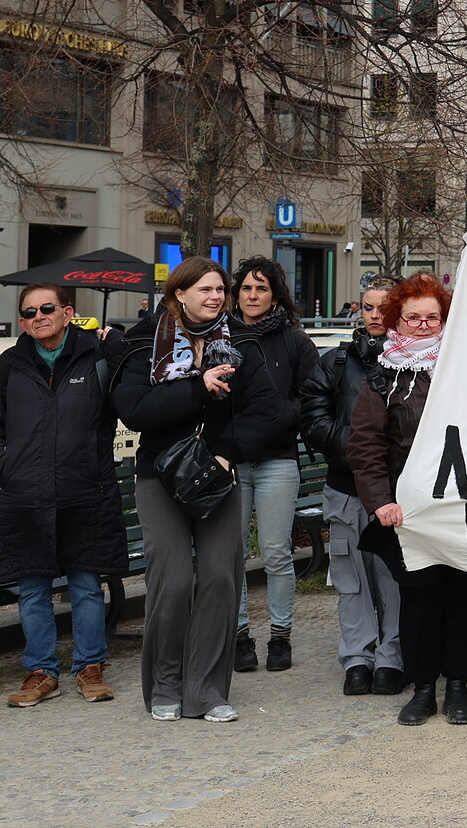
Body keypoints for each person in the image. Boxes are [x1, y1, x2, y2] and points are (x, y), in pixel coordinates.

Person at [111, 258, 289, 722]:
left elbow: (264, 410)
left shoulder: (240, 341)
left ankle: (206, 689)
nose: (216, 297)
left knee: (219, 579)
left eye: (219, 290)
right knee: (171, 583)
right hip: (160, 476)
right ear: (179, 294)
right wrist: (196, 387)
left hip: (218, 477)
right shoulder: (144, 340)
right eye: (205, 289)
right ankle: (166, 683)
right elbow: (134, 408)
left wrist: (227, 454)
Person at [0, 283, 128, 708]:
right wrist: (7, 469)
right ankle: (40, 671)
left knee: (87, 584)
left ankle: (90, 666)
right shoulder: (8, 365)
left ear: (67, 312)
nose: (38, 316)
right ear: (22, 321)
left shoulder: (96, 357)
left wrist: (120, 351)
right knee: (33, 586)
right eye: (29, 312)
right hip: (26, 495)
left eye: (47, 308)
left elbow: (129, 405)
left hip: (85, 490)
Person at [349, 273, 467, 726]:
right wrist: (380, 501)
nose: (423, 325)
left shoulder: (466, 371)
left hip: (461, 502)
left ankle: (458, 686)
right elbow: (365, 445)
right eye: (413, 318)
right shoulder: (383, 377)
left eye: (432, 318)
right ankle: (424, 688)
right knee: (419, 599)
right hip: (408, 509)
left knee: (463, 595)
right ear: (396, 321)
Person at [299, 276, 405, 696]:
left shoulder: (418, 360)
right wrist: (358, 447)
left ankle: (392, 656)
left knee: (392, 577)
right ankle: (357, 657)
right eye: (368, 307)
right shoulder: (336, 362)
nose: (375, 315)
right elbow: (312, 418)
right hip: (345, 487)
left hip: (395, 491)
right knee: (351, 578)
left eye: (384, 307)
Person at [228, 256, 321, 675]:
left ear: (275, 295)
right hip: (230, 461)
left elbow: (314, 395)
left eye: (261, 288)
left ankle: (280, 637)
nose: (253, 296)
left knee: (276, 553)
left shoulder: (294, 341)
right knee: (231, 554)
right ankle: (239, 637)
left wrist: (282, 415)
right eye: (246, 288)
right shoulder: (220, 335)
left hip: (277, 460)